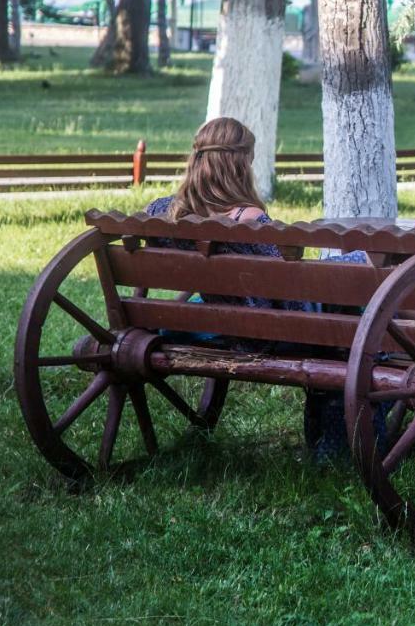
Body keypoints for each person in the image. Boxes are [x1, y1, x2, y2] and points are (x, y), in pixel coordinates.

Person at [144, 117, 365, 462]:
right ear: (240, 163)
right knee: (365, 268)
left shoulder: (163, 212)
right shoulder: (250, 220)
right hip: (272, 331)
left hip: (220, 323)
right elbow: (286, 289)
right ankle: (349, 447)